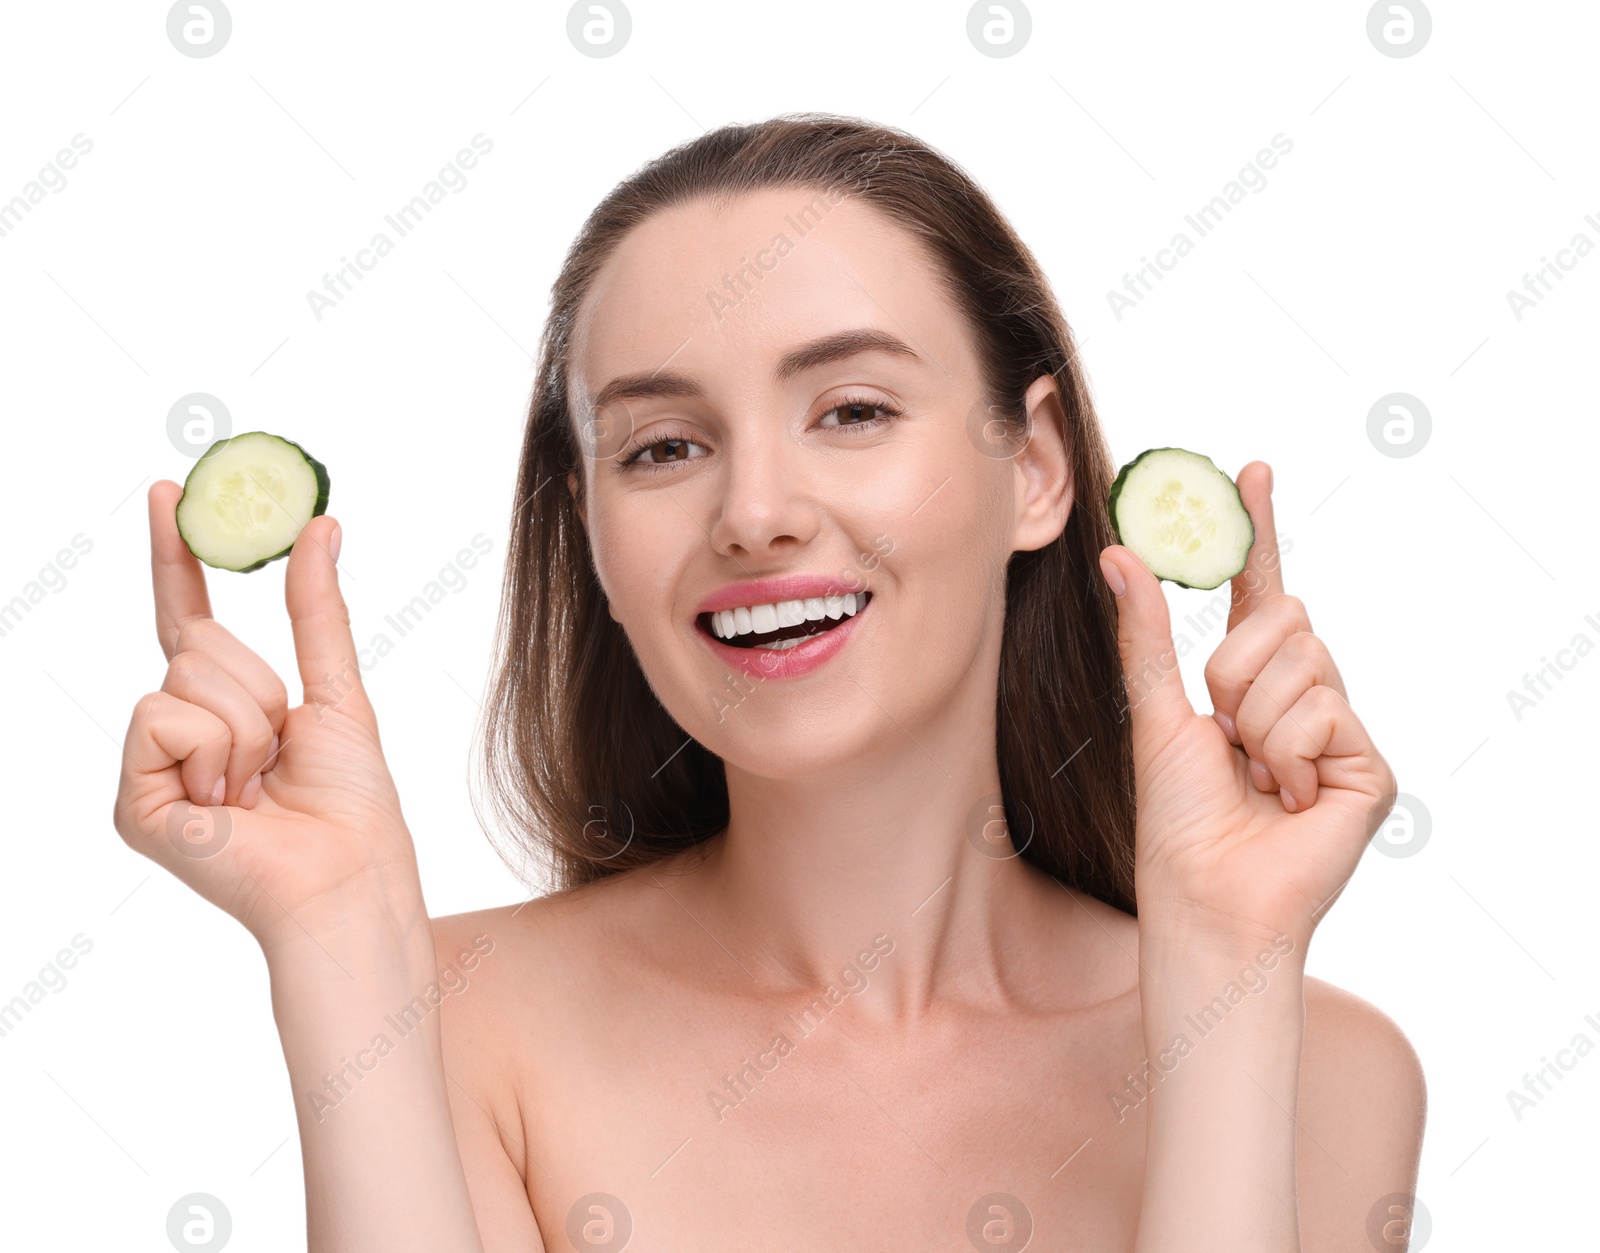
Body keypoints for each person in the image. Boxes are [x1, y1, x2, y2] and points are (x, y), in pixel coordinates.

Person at [115, 114, 1425, 1251]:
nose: (754, 513)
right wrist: (338, 936)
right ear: (592, 538)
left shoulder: (1331, 1070)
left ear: (1032, 467)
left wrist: (1227, 972)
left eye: (852, 410)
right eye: (665, 445)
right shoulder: (449, 1025)